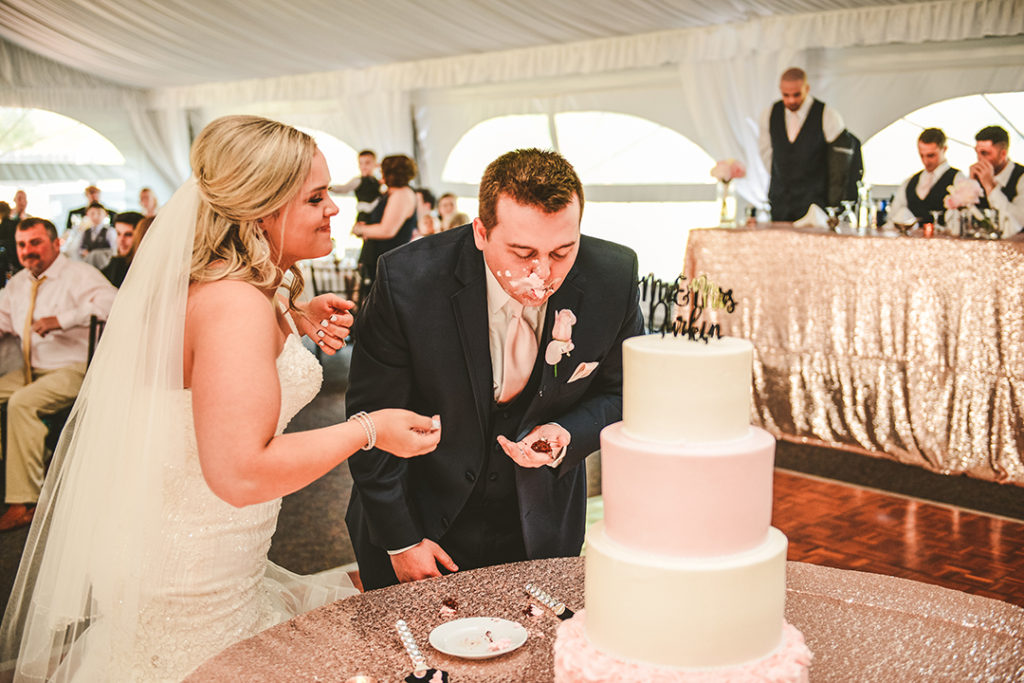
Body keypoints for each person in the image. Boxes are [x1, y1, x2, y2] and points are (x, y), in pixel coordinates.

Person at [0, 115, 441, 681]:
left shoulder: (227, 285)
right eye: (316, 197)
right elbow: (240, 471)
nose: (334, 209)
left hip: (181, 543)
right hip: (192, 569)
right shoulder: (236, 305)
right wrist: (369, 429)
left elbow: (196, 371)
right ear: (263, 209)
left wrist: (292, 318)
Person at [345, 147, 644, 590]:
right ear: (481, 231)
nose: (543, 273)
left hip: (538, 527)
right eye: (523, 252)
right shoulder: (407, 280)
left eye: (563, 251)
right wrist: (400, 540)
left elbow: (624, 390)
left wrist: (567, 433)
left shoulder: (612, 277)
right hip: (421, 519)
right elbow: (369, 421)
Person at [0, 217, 117, 532]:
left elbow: (113, 304)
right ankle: (11, 466)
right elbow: (4, 317)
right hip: (29, 368)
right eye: (22, 245)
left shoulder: (78, 274)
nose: (28, 251)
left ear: (55, 243)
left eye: (35, 243)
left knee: (22, 404)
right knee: (14, 392)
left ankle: (23, 502)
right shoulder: (18, 283)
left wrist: (63, 319)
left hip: (72, 369)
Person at [759, 67, 846, 221]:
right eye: (786, 95)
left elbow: (838, 166)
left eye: (796, 94)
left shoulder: (827, 115)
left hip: (815, 205)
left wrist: (833, 203)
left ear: (807, 88)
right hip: (780, 203)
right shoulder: (769, 114)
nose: (791, 100)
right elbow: (766, 154)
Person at [352, 154, 418, 293]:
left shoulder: (402, 194)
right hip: (378, 260)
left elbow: (387, 230)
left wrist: (361, 230)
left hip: (390, 263)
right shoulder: (391, 193)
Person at [888, 128, 966, 228]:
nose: (926, 161)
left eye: (931, 155)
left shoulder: (957, 178)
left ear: (944, 149)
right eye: (922, 155)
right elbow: (894, 216)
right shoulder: (910, 182)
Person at [971, 125, 1024, 234]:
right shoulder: (977, 176)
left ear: (1003, 154)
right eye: (977, 152)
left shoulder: (1021, 177)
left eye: (985, 153)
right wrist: (971, 187)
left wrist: (990, 187)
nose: (979, 159)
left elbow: (1015, 224)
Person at [329, 149, 383, 222]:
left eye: (367, 163)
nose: (363, 166)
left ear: (375, 164)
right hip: (365, 217)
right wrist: (327, 187)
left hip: (377, 215)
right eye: (360, 163)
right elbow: (343, 189)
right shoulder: (358, 180)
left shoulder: (376, 180)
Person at [100, 211, 145, 286]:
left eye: (128, 235)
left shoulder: (145, 267)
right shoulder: (116, 263)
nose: (121, 240)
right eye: (118, 234)